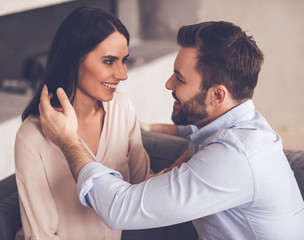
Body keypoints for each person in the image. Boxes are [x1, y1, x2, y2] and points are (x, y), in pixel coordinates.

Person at [39, 21, 304, 239]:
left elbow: (120, 209)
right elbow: (194, 130)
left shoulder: (233, 159)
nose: (168, 83)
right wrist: (145, 127)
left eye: (180, 78)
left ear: (217, 95)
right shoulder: (248, 123)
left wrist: (68, 140)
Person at [14, 6, 163, 240]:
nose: (122, 74)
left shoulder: (121, 109)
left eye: (124, 60)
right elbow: (42, 235)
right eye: (109, 61)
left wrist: (182, 170)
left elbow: (140, 190)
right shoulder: (32, 136)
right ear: (73, 59)